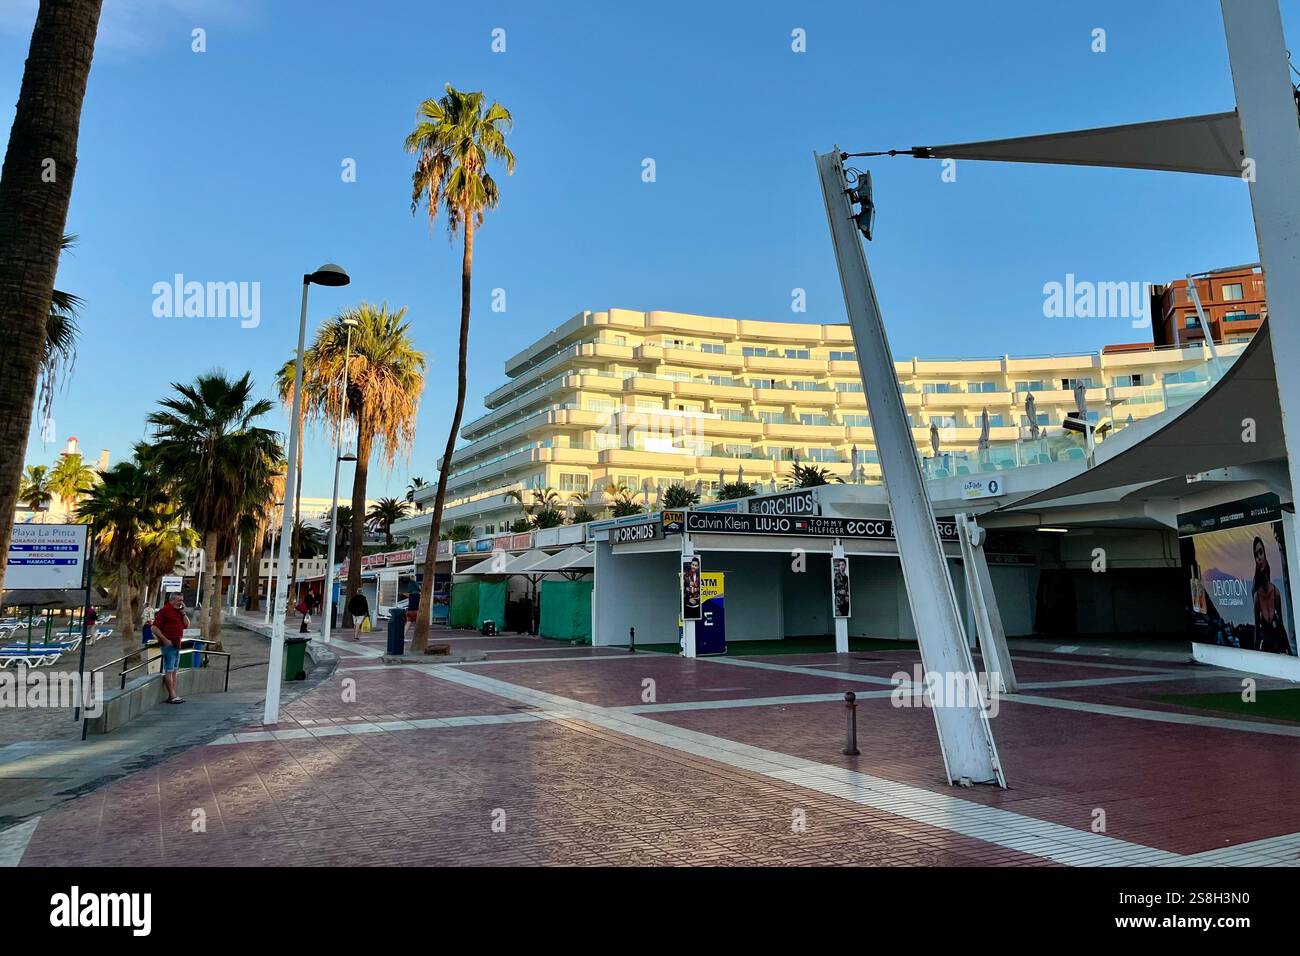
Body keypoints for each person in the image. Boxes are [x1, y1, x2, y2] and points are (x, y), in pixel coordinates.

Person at [1252, 535, 1289, 654]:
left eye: (1261, 553)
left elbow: (1282, 624)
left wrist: (1290, 650)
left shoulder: (1276, 592)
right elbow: (1257, 629)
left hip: (1278, 646)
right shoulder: (1257, 596)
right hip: (1266, 648)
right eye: (1256, 555)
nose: (1259, 558)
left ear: (1265, 555)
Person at [153, 593, 189, 704]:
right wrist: (164, 639)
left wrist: (183, 613)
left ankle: (173, 694)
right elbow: (154, 628)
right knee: (169, 670)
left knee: (174, 670)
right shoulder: (164, 612)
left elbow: (187, 625)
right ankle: (172, 695)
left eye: (182, 600)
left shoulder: (178, 612)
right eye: (179, 600)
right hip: (169, 644)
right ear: (172, 600)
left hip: (177, 644)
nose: (181, 603)